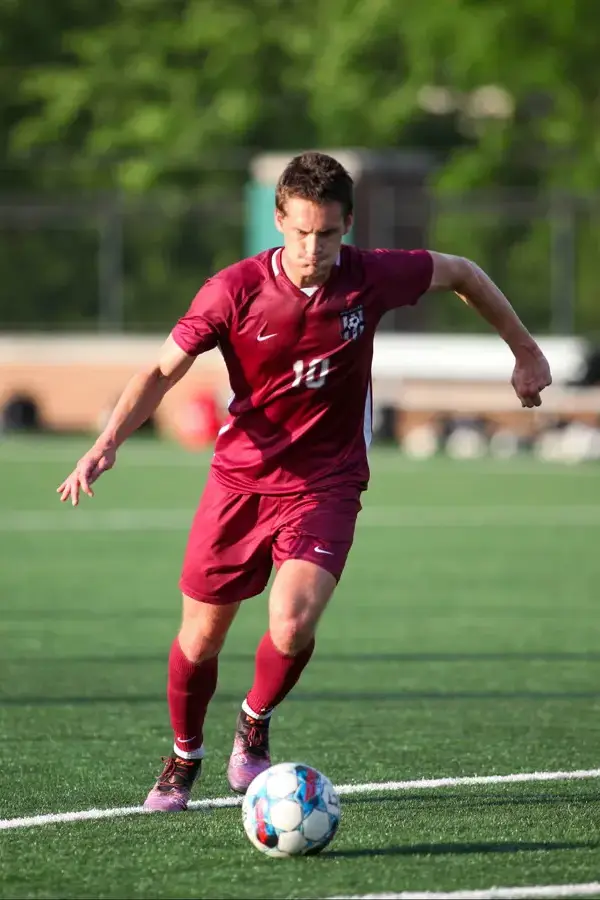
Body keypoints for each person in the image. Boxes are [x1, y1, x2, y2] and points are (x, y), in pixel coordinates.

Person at [57, 151, 552, 811]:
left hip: (327, 479)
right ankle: (183, 756)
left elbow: (462, 272)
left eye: (327, 233)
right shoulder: (231, 291)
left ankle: (254, 721)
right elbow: (160, 371)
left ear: (347, 224)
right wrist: (107, 441)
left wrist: (524, 349)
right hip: (240, 480)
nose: (312, 248)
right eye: (299, 232)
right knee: (201, 638)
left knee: (290, 623)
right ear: (278, 221)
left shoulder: (372, 277)